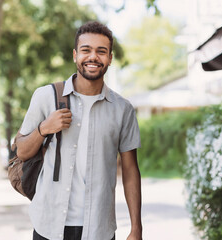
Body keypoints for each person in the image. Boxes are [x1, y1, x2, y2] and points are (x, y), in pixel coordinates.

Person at [16, 21, 142, 240]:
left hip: (98, 229)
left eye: (101, 51)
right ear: (75, 55)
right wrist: (44, 128)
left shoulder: (123, 109)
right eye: (86, 50)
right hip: (49, 225)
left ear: (110, 58)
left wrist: (136, 228)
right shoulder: (45, 97)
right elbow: (22, 152)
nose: (93, 57)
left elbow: (131, 171)